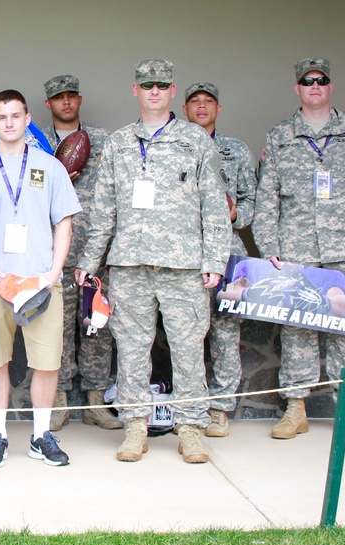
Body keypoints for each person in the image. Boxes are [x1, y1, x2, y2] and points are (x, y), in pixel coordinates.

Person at [76, 59, 231, 464]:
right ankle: (135, 427)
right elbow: (103, 208)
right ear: (136, 91)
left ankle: (192, 428)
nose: (155, 92)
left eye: (162, 85)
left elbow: (214, 205)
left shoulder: (195, 140)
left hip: (183, 265)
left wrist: (215, 258)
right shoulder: (119, 142)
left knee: (187, 348)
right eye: (148, 86)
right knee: (130, 348)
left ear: (172, 90)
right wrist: (90, 260)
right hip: (130, 264)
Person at [254, 58, 345, 442]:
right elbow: (266, 199)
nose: (314, 86)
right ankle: (295, 409)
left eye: (321, 80)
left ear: (330, 87)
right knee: (297, 331)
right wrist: (269, 247)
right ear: (296, 88)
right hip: (296, 251)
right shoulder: (281, 136)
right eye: (307, 81)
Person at [0, 90, 81, 468]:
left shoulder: (51, 166)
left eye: (16, 115)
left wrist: (53, 270)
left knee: (46, 362)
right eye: (2, 117)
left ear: (28, 119)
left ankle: (40, 436)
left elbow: (64, 221)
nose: (10, 122)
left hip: (39, 281)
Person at [40, 74, 119, 432]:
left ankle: (95, 402)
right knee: (54, 330)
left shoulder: (105, 140)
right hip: (52, 253)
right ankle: (58, 402)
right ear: (48, 104)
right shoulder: (35, 144)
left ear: (80, 99)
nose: (66, 102)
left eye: (72, 96)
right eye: (59, 97)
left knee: (96, 329)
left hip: (94, 251)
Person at [181, 82, 257, 438]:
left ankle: (221, 408)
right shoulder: (175, 147)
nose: (200, 107)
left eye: (207, 101)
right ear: (184, 109)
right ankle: (188, 407)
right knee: (187, 335)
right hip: (183, 255)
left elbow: (252, 204)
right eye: (194, 101)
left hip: (228, 257)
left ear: (218, 108)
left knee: (226, 333)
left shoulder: (236, 151)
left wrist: (233, 215)